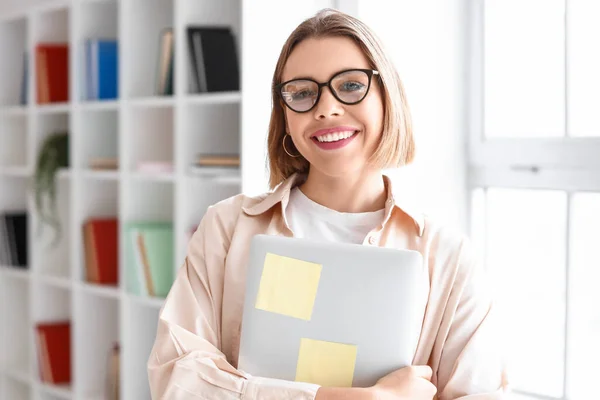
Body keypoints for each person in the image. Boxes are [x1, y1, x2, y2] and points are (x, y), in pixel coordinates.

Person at [147, 8, 509, 400]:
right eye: (302, 93)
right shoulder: (227, 227)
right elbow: (176, 379)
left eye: (351, 86)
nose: (326, 109)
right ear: (284, 116)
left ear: (387, 96)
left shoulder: (446, 256)